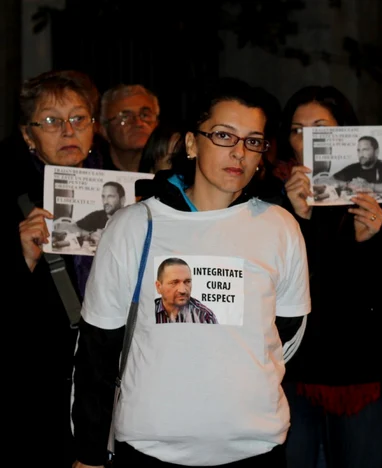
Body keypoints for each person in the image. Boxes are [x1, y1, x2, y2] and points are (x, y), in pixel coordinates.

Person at [72, 77, 310, 468]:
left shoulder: (278, 226)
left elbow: (288, 331)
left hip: (255, 446)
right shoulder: (136, 223)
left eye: (253, 141)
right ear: (191, 143)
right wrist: (89, 451)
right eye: (223, 136)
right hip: (150, 446)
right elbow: (98, 345)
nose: (239, 153)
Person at [278, 85, 382, 468]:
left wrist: (368, 242)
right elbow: (286, 289)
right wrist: (301, 219)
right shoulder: (275, 199)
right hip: (294, 370)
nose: (306, 140)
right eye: (297, 130)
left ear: (345, 133)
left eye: (320, 128)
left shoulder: (374, 199)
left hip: (357, 369)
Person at [8, 69, 101, 467]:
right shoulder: (9, 193)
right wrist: (23, 255)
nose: (68, 130)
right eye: (50, 121)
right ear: (28, 136)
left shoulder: (121, 189)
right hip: (34, 384)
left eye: (79, 119)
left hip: (101, 373)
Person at [154, 257, 218, 324]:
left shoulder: (205, 317)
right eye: (174, 283)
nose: (182, 290)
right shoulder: (146, 313)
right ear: (159, 287)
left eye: (187, 282)